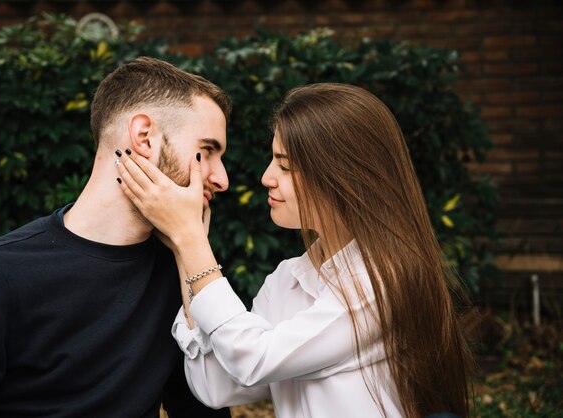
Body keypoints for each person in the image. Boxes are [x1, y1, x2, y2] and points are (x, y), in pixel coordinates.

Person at [115, 83, 474, 418]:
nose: (267, 177)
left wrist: (191, 238)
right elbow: (215, 386)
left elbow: (254, 358)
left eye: (285, 165)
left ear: (342, 176)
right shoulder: (288, 279)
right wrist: (184, 249)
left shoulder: (381, 281)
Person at [0, 57, 232, 418]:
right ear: (144, 137)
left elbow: (204, 408)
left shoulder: (184, 271)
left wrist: (192, 255)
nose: (221, 179)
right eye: (208, 150)